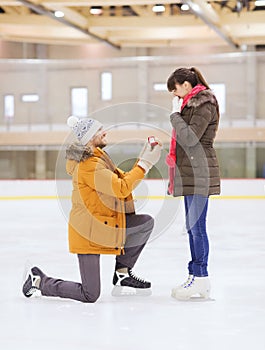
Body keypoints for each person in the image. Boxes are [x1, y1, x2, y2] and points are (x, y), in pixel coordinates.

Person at [22, 116, 162, 302]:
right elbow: (121, 188)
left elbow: (121, 180)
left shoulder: (99, 158)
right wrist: (145, 164)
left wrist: (142, 159)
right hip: (88, 232)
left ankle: (122, 273)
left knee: (144, 223)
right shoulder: (89, 165)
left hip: (102, 224)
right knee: (90, 294)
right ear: (89, 139)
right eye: (98, 131)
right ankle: (39, 281)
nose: (104, 132)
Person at [166, 67, 220, 300]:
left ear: (186, 85)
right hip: (191, 172)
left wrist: (175, 116)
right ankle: (196, 276)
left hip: (200, 172)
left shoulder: (204, 104)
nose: (175, 97)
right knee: (192, 227)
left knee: (197, 228)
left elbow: (189, 139)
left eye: (176, 91)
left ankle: (201, 277)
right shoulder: (190, 105)